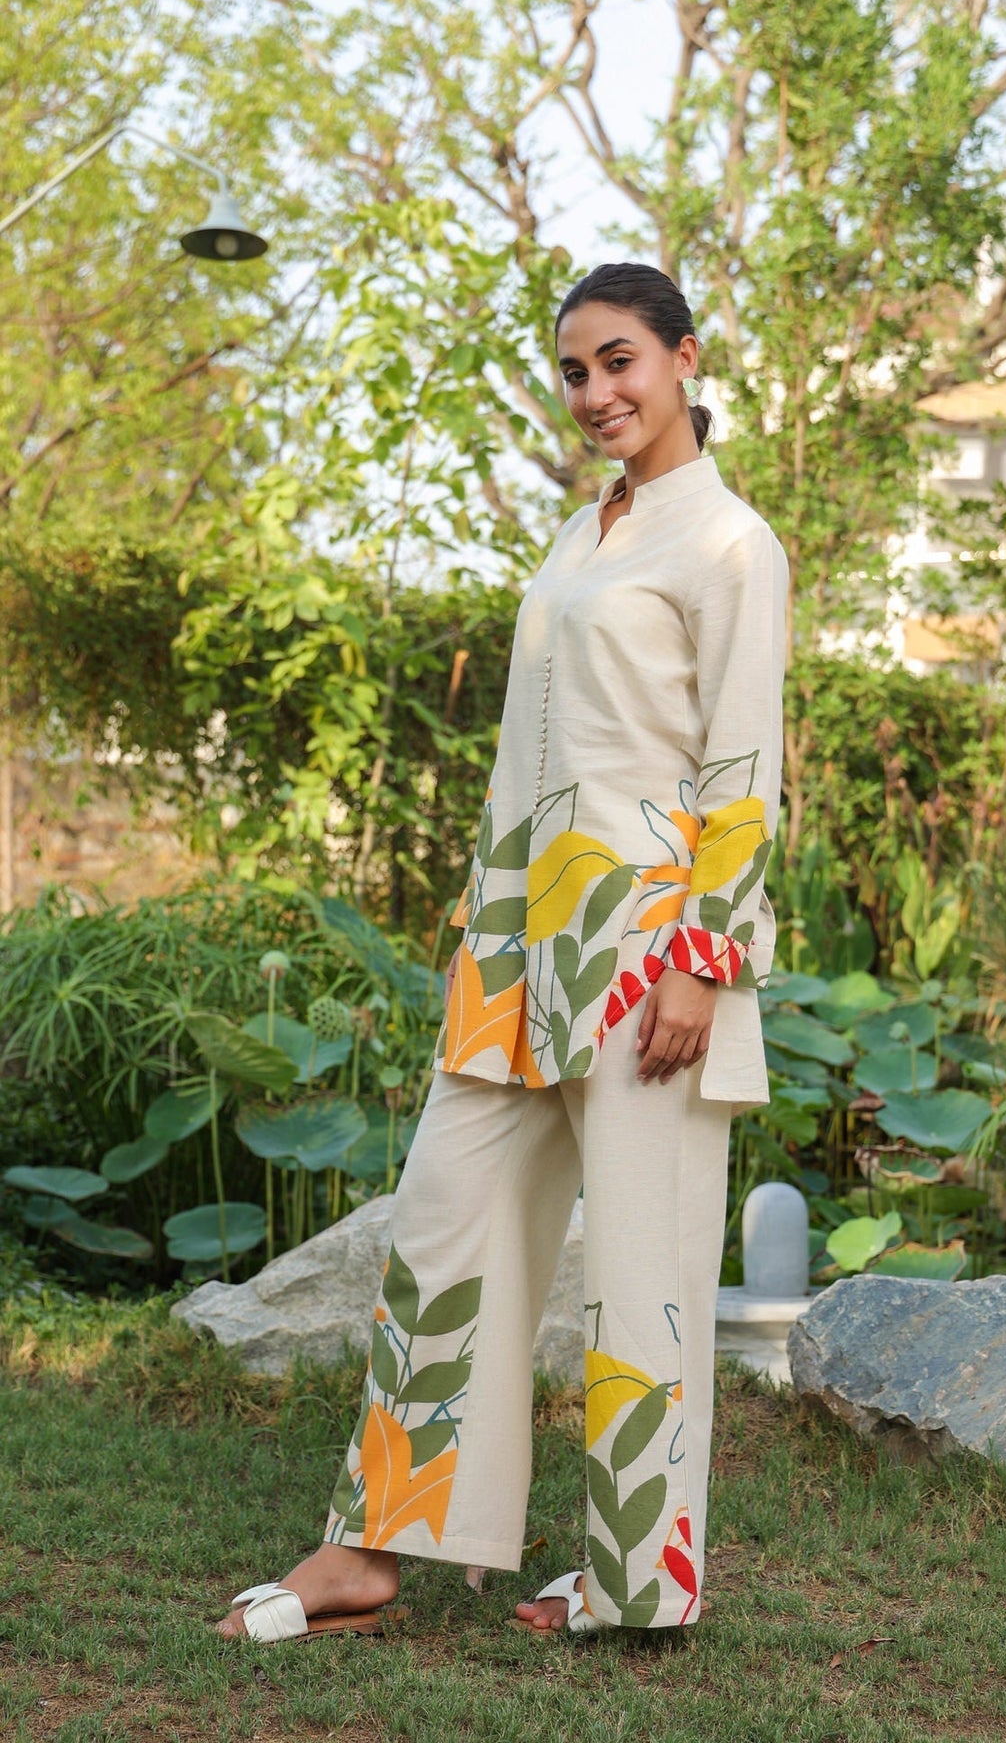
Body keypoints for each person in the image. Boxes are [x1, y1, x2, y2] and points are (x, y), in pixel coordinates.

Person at [215, 261, 791, 1643]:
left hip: (651, 961)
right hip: (518, 958)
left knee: (642, 1273)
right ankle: (369, 1547)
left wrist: (705, 961)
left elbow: (745, 765)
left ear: (685, 358)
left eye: (619, 361)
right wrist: (485, 929)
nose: (596, 393)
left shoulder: (730, 545)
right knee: (442, 1224)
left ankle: (635, 1587)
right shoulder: (583, 534)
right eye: (576, 372)